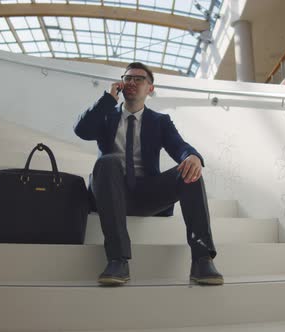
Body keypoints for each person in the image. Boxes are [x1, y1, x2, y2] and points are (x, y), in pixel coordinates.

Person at [74, 62, 223, 286]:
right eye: (127, 78)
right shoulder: (106, 115)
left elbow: (179, 146)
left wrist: (192, 156)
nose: (132, 82)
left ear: (150, 89)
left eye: (139, 79)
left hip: (148, 195)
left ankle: (202, 259)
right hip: (110, 193)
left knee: (190, 170)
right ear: (121, 84)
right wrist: (107, 100)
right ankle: (118, 259)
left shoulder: (159, 121)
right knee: (107, 162)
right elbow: (81, 130)